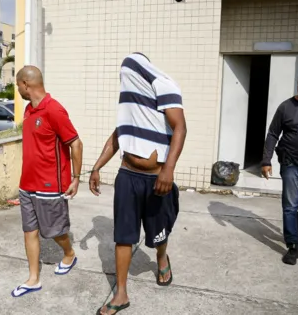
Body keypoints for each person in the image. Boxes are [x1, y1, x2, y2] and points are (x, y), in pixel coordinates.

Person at [89, 52, 187, 315]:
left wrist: (168, 170)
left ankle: (161, 256)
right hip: (127, 177)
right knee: (123, 235)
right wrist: (96, 167)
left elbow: (180, 127)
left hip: (157, 179)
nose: (126, 77)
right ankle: (121, 293)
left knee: (158, 232)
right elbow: (117, 137)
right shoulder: (128, 105)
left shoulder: (164, 85)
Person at [11, 65, 84, 297]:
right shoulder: (28, 110)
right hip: (27, 185)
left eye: (17, 86)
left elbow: (76, 143)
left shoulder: (54, 110)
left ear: (25, 84)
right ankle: (33, 279)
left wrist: (76, 178)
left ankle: (69, 254)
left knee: (54, 231)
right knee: (29, 231)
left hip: (50, 185)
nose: (18, 90)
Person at [261, 67, 298, 266]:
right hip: (291, 165)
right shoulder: (286, 107)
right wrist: (266, 161)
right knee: (290, 206)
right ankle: (293, 245)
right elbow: (273, 133)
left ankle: (296, 223)